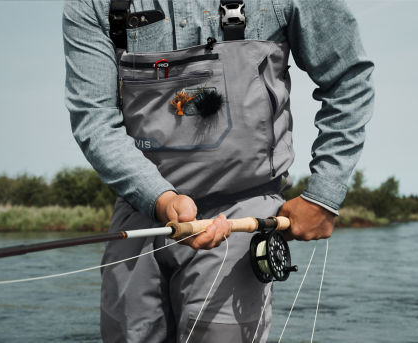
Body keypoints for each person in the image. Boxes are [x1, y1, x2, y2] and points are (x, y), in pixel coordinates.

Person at [63, 0, 374, 342]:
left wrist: (324, 194)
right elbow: (94, 120)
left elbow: (348, 79)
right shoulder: (92, 5)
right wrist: (161, 199)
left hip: (242, 210)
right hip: (140, 209)